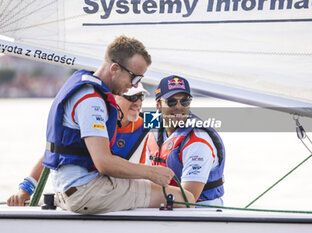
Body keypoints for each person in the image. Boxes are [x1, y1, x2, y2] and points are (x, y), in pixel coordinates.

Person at [8, 36, 194, 213]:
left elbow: (179, 118)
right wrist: (151, 172)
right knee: (185, 199)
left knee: (178, 195)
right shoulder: (94, 106)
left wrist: (203, 123)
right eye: (132, 94)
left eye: (141, 96)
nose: (137, 100)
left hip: (77, 187)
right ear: (116, 97)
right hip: (88, 191)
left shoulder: (141, 122)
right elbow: (100, 162)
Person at [7, 83, 151, 206]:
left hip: (130, 194)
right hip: (94, 195)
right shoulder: (94, 121)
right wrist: (24, 191)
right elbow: (52, 154)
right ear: (114, 98)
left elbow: (172, 119)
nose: (138, 103)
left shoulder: (149, 120)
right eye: (132, 97)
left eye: (141, 97)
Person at [146, 75, 225, 206]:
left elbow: (188, 199)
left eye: (185, 101)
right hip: (165, 206)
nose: (178, 107)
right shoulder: (152, 131)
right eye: (171, 101)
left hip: (200, 212)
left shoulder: (198, 141)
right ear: (158, 105)